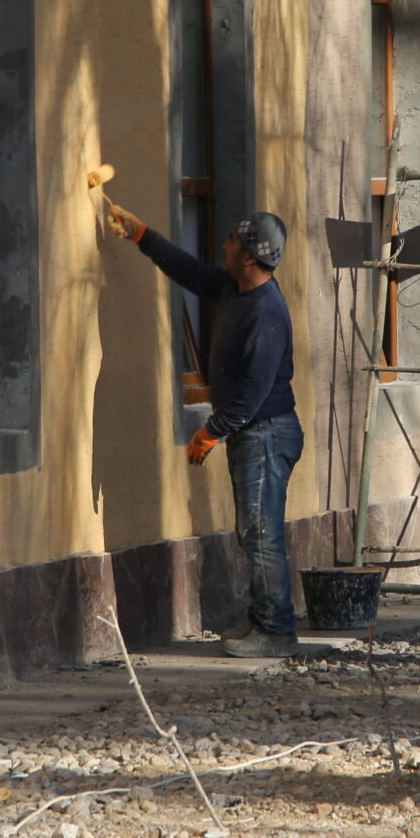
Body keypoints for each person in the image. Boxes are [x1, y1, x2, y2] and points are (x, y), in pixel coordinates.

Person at [103, 199, 305, 657]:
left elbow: (254, 390)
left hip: (267, 433)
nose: (225, 244)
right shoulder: (236, 289)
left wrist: (211, 431)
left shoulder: (266, 315)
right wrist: (142, 235)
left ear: (250, 256)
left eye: (233, 240)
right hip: (255, 432)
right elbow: (190, 272)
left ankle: (276, 632)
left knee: (261, 533)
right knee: (253, 531)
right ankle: (264, 621)